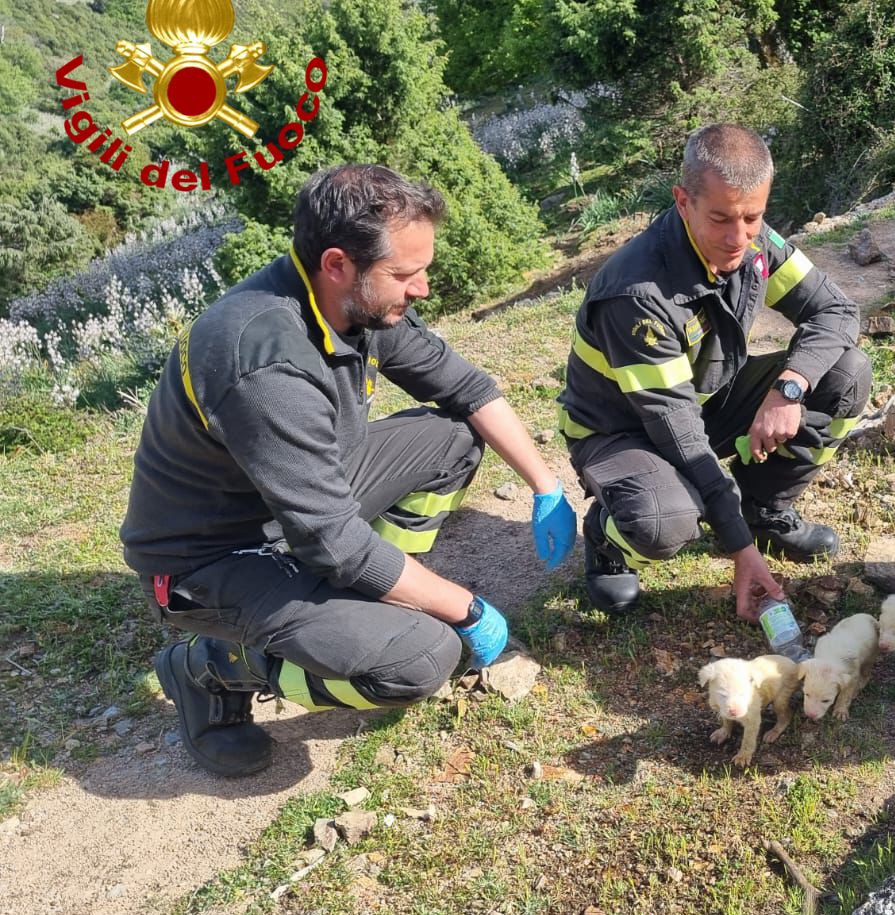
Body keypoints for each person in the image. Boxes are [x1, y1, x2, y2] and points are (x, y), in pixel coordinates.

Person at [121, 164, 576, 776]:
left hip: (302, 505)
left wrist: (546, 487)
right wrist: (466, 609)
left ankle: (386, 594)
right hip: (215, 558)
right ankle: (211, 668)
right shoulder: (266, 364)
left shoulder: (355, 305)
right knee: (422, 659)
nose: (422, 289)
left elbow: (466, 389)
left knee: (453, 437)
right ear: (338, 264)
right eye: (406, 274)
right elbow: (334, 542)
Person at [556, 123, 871, 618]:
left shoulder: (755, 242)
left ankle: (763, 509)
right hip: (621, 431)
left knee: (845, 374)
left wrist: (788, 389)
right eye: (721, 219)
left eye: (753, 217)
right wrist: (739, 551)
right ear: (683, 201)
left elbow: (836, 312)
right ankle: (608, 537)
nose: (738, 238)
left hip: (706, 397)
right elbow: (677, 431)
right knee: (669, 521)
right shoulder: (638, 293)